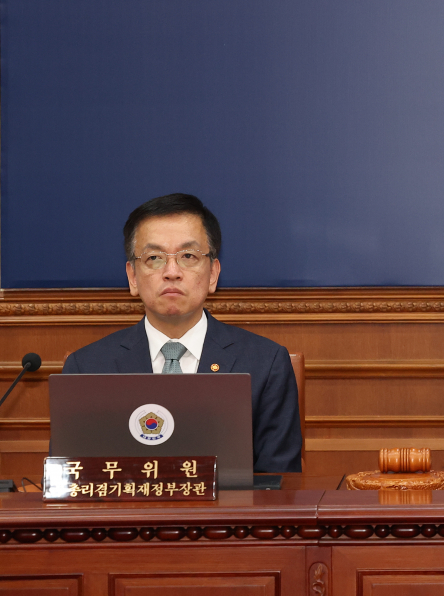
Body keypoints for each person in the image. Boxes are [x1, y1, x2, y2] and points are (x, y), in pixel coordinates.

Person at [62, 193, 302, 473]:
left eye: (188, 256)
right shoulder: (87, 369)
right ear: (132, 277)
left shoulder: (265, 364)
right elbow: (72, 486)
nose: (171, 271)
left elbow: (279, 488)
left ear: (213, 273)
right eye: (154, 257)